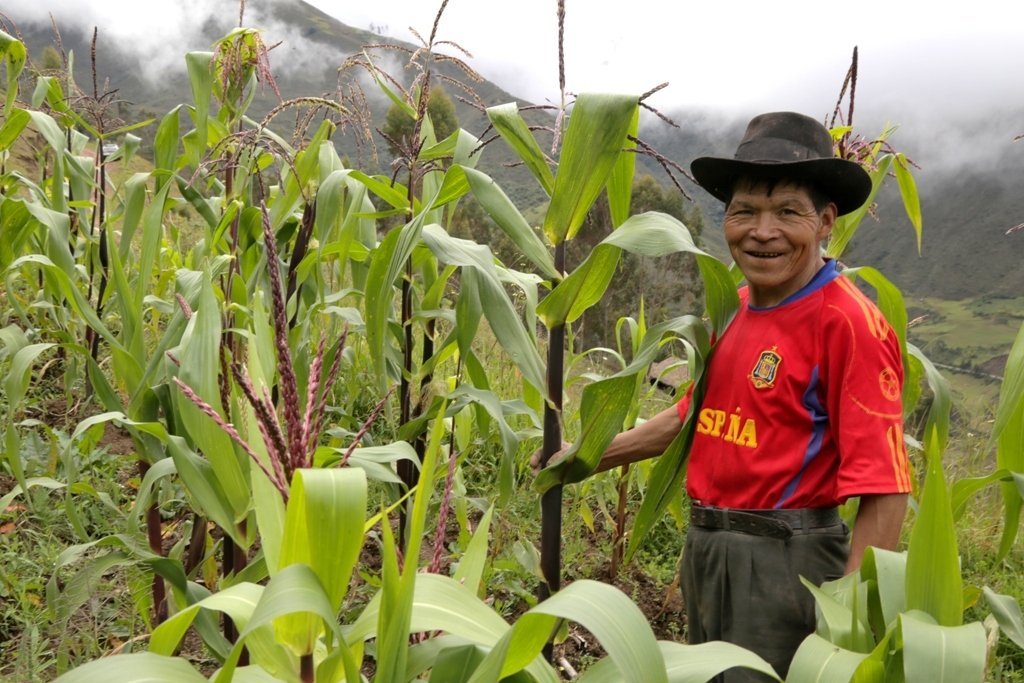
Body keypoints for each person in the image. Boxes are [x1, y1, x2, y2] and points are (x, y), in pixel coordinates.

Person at [534, 111, 911, 681]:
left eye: (788, 211)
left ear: (826, 221)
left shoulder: (847, 323)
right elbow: (696, 418)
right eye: (745, 211)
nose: (763, 231)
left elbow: (884, 487)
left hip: (788, 561)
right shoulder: (729, 308)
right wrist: (585, 457)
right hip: (709, 545)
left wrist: (848, 620)